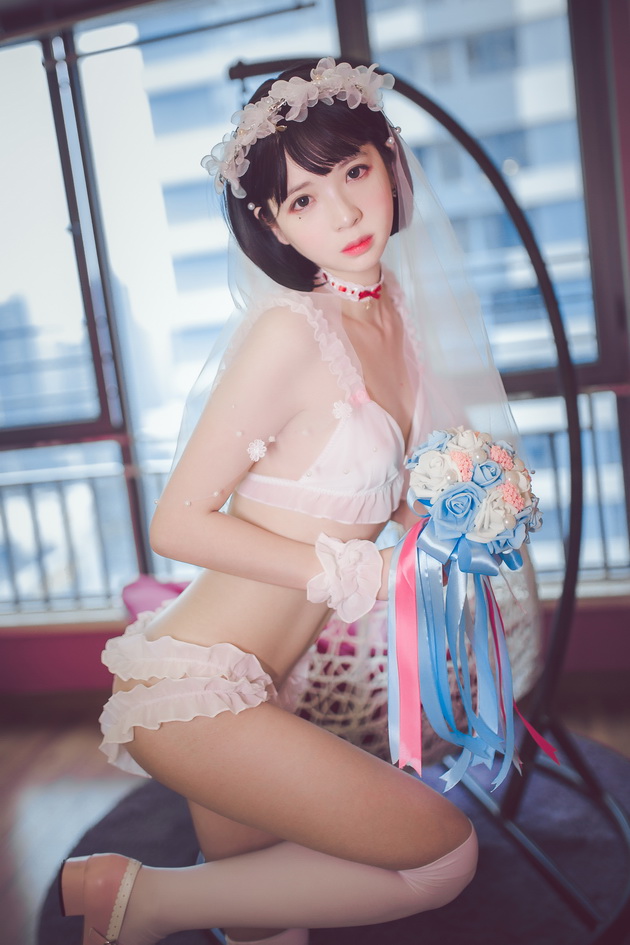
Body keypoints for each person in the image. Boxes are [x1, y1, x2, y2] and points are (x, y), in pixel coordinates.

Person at [57, 56, 532, 945]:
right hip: (192, 686)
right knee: (445, 856)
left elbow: (377, 495)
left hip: (263, 684)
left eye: (353, 171)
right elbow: (175, 522)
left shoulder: (392, 312)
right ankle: (139, 898)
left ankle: (136, 898)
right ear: (272, 222)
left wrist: (454, 511)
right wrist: (344, 571)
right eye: (304, 198)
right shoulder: (290, 331)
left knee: (267, 924)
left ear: (389, 163)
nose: (344, 213)